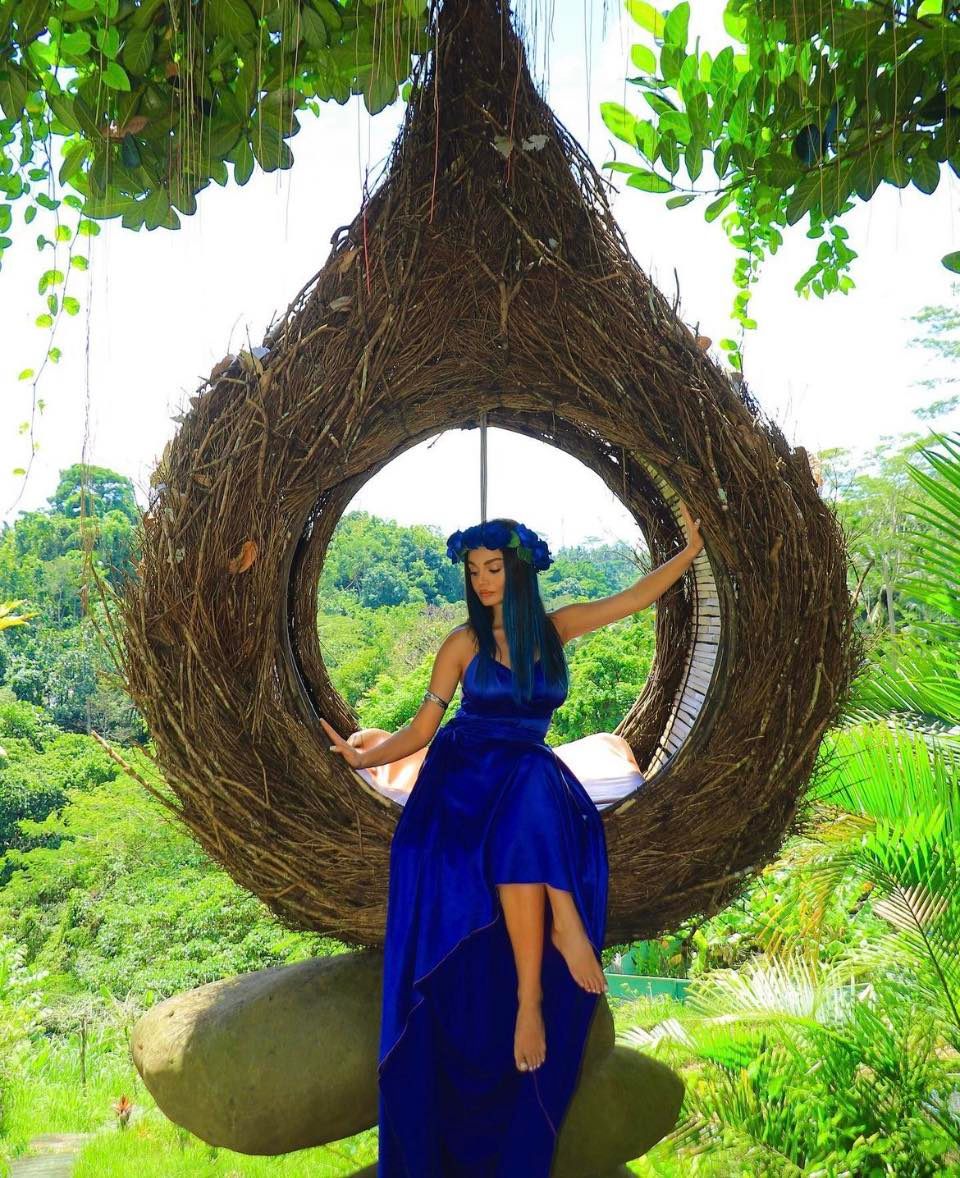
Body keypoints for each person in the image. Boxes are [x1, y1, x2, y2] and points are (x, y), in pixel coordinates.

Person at [320, 505, 704, 1177]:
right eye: (474, 571)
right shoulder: (461, 644)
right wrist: (363, 758)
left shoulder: (558, 629)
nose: (483, 581)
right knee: (533, 780)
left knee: (535, 779)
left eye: (493, 568)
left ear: (519, 571)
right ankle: (561, 930)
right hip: (465, 774)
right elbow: (423, 730)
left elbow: (636, 597)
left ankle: (533, 992)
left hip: (524, 771)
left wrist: (690, 551)